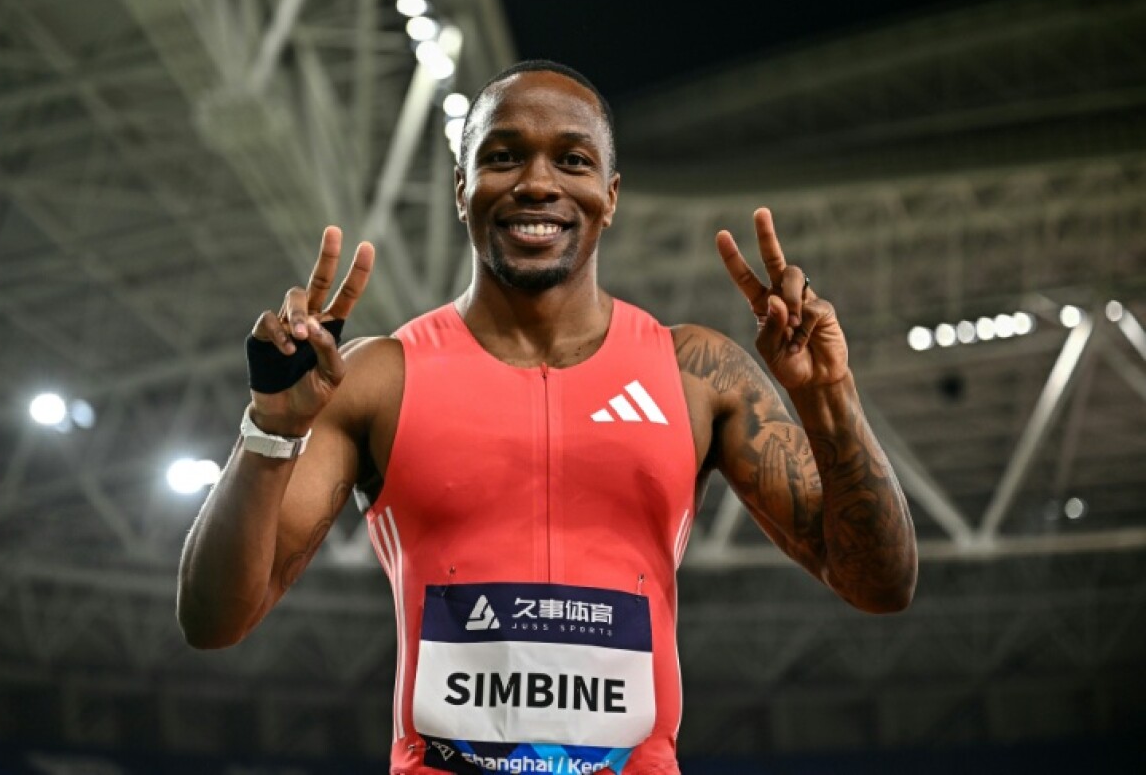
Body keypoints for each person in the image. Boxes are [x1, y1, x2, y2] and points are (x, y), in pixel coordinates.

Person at [177, 60, 917, 775]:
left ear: (611, 194)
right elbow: (214, 622)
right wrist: (271, 424)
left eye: (572, 160)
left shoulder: (696, 374)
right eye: (504, 157)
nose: (537, 183)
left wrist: (828, 394)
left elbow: (879, 585)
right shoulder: (378, 378)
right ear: (462, 190)